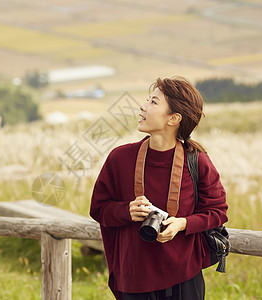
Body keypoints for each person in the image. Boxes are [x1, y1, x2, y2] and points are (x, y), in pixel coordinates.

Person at [89, 77, 228, 300]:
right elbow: (98, 209)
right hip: (133, 279)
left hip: (184, 279)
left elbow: (218, 211)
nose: (143, 106)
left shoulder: (197, 161)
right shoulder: (120, 158)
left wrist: (183, 223)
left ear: (173, 118)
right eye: (147, 100)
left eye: (153, 102)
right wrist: (127, 211)